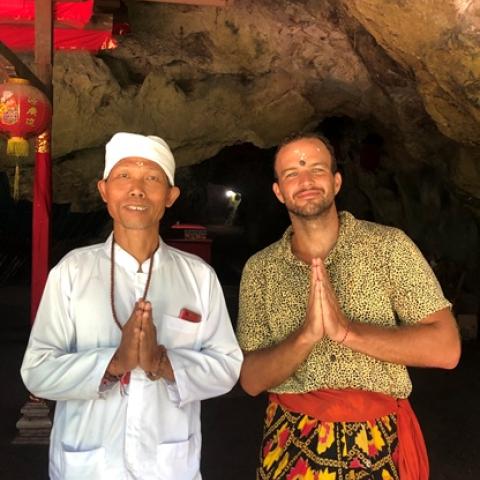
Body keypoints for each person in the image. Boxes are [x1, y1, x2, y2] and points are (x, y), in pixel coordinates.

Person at [236, 133, 461, 480]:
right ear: (279, 191)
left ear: (337, 182)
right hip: (291, 445)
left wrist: (347, 332)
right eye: (292, 173)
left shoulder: (388, 247)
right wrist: (306, 336)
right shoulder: (261, 269)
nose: (306, 181)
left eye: (317, 169)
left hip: (378, 442)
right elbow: (251, 380)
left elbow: (446, 348)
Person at [21, 132, 242, 480]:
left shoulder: (199, 276)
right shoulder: (72, 271)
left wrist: (161, 363)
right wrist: (113, 364)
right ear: (104, 191)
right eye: (123, 175)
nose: (137, 189)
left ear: (170, 196)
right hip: (88, 467)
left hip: (168, 467)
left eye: (152, 178)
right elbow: (37, 371)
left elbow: (227, 368)